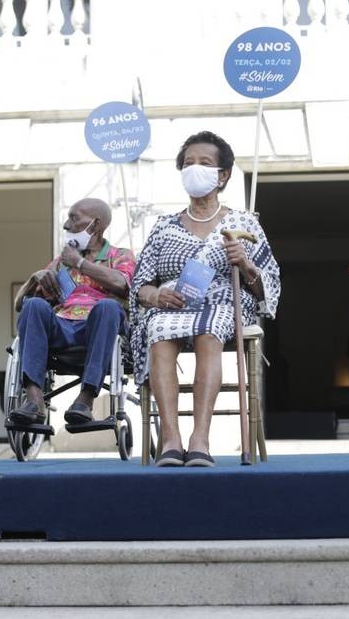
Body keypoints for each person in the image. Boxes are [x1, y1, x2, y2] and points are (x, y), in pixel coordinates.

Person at [130, 131, 280, 467]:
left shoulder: (243, 224)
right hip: (172, 305)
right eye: (188, 163)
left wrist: (245, 262)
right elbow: (140, 285)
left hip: (223, 304)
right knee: (158, 333)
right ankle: (171, 439)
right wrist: (157, 296)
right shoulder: (164, 227)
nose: (194, 168)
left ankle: (200, 438)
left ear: (223, 175)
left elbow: (267, 285)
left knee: (208, 332)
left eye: (204, 163)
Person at [7, 198, 135, 429]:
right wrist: (33, 280)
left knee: (107, 307)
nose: (66, 225)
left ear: (95, 225)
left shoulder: (120, 255)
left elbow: (122, 284)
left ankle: (85, 399)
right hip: (63, 327)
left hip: (99, 329)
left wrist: (80, 263)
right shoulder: (61, 262)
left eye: (74, 218)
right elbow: (19, 305)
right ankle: (34, 399)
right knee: (34, 305)